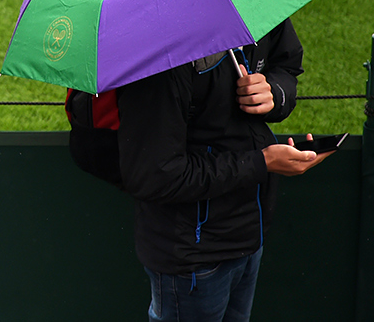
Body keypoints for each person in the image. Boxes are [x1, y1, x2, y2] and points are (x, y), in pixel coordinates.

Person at [115, 19, 333, 322]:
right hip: (192, 257)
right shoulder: (158, 54)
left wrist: (273, 92)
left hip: (247, 235)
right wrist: (263, 162)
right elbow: (157, 175)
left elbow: (287, 62)